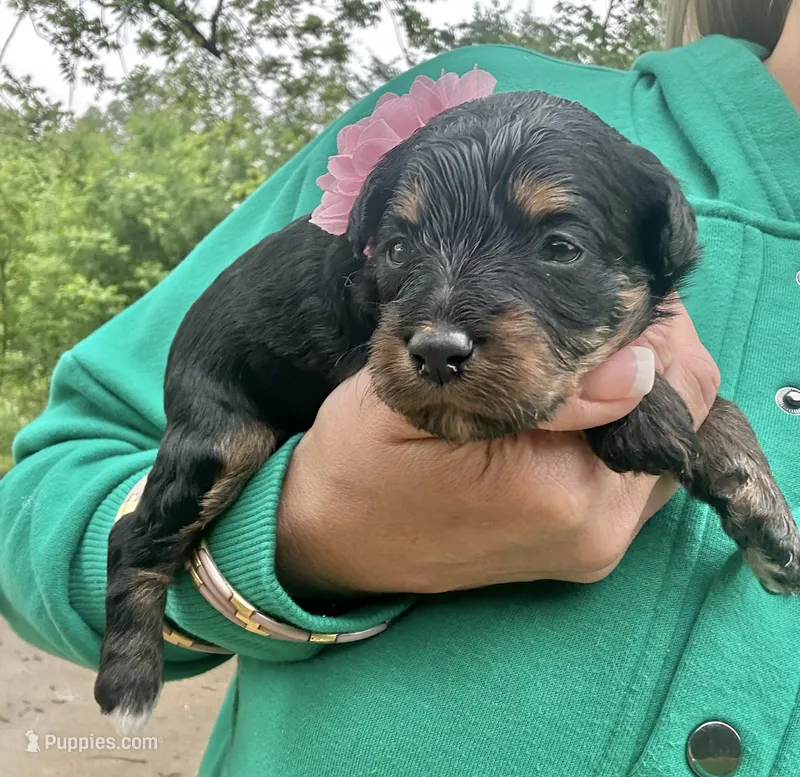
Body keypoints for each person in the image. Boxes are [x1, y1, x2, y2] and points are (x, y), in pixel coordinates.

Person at [0, 0, 798, 774]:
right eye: (403, 248)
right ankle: (135, 592)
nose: (444, 324)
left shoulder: (638, 204)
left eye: (558, 245)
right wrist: (302, 536)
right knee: (212, 456)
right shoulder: (447, 101)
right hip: (232, 382)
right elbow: (40, 489)